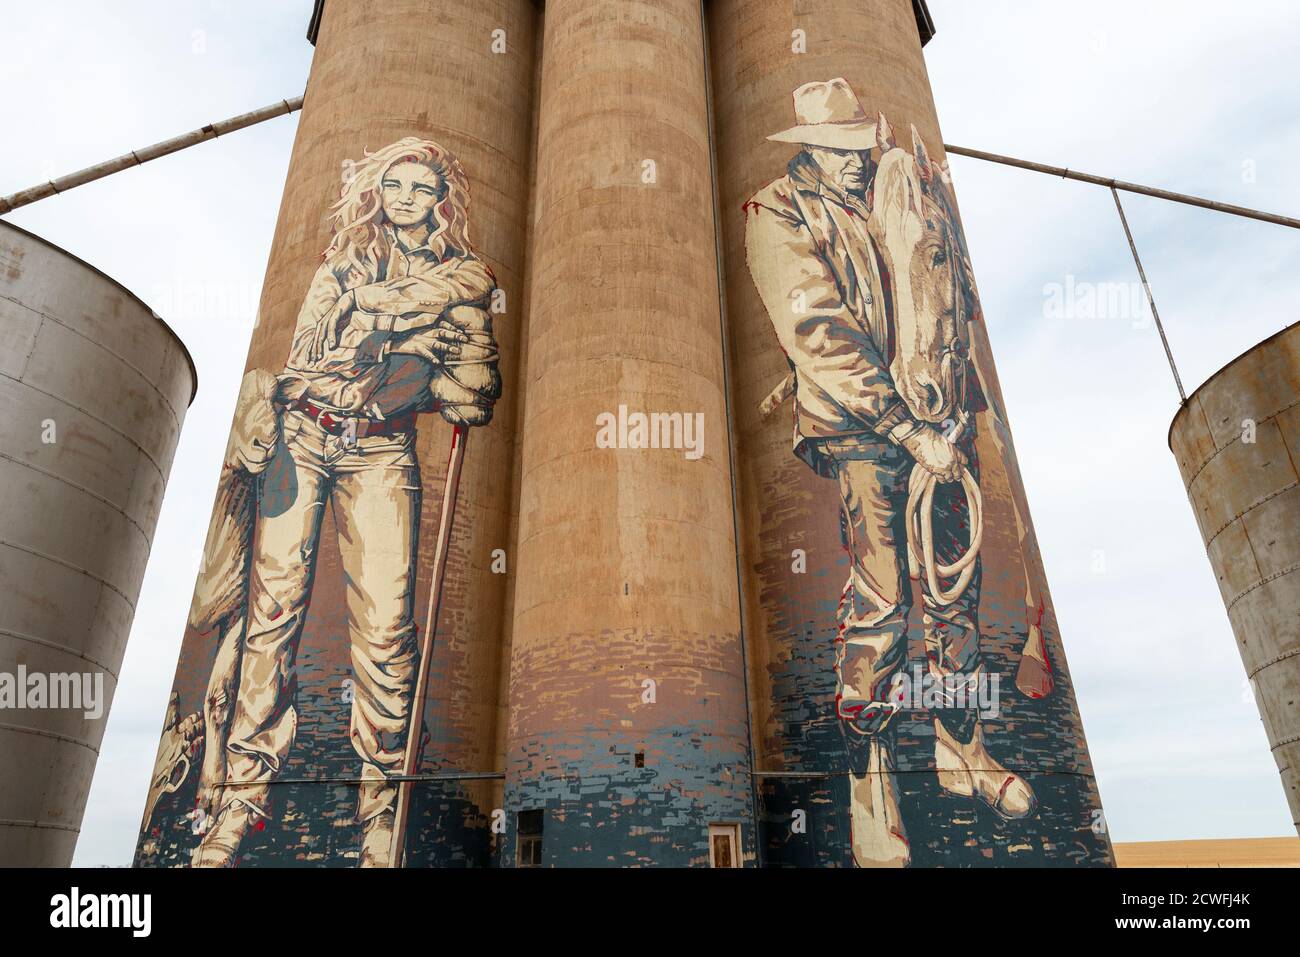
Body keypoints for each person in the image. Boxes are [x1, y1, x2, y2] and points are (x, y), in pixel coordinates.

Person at [744, 80, 1034, 868]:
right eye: (835, 149)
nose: (851, 162)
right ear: (807, 146)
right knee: (883, 596)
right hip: (861, 430)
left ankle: (960, 743)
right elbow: (817, 333)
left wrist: (956, 412)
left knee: (955, 589)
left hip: (941, 422)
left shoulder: (903, 185)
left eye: (859, 145)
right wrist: (905, 425)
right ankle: (872, 781)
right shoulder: (777, 211)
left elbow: (951, 296)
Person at [194, 137, 500, 867]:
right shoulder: (341, 263)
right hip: (301, 438)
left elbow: (474, 390)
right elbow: (307, 354)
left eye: (421, 189)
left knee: (388, 632)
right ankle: (240, 801)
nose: (404, 199)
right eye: (393, 185)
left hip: (383, 449)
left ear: (441, 202)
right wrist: (412, 331)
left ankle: (381, 810)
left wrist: (456, 369)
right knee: (271, 617)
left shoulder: (465, 273)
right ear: (378, 192)